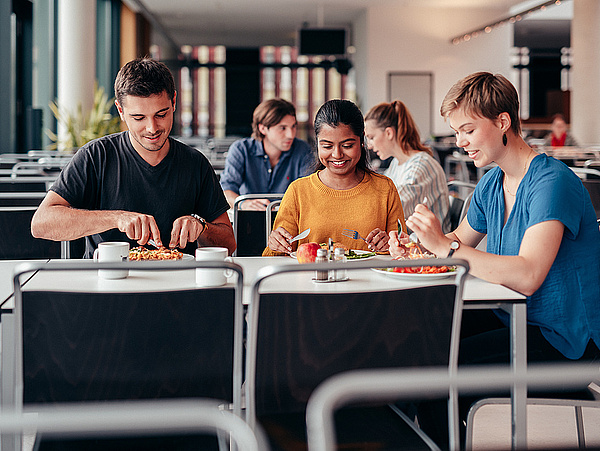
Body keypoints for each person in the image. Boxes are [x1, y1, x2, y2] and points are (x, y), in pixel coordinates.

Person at [388, 71, 600, 446]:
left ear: (502, 121)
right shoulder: (492, 181)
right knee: (419, 345)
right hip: (515, 317)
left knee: (436, 381)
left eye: (467, 130)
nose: (460, 142)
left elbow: (528, 274)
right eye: (456, 132)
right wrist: (415, 244)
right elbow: (456, 240)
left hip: (565, 341)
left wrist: (444, 246)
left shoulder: (552, 181)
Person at [31, 57, 235, 257]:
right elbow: (41, 224)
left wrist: (201, 227)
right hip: (108, 284)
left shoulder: (195, 163)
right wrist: (116, 218)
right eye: (138, 117)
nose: (152, 128)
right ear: (120, 110)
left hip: (177, 282)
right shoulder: (96, 157)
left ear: (173, 101)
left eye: (161, 114)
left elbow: (229, 243)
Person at [264, 99, 404, 255]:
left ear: (362, 142)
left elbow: (402, 253)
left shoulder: (384, 188)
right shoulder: (298, 191)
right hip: (310, 279)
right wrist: (275, 244)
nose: (337, 154)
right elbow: (275, 256)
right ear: (317, 143)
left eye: (347, 145)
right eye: (327, 146)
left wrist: (390, 246)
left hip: (371, 277)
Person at [365, 100, 450, 232]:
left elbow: (390, 209)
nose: (369, 145)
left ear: (389, 133)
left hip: (428, 249)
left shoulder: (420, 166)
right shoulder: (396, 163)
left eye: (371, 137)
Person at [219, 98, 312, 211]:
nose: (291, 135)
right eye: (282, 128)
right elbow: (226, 190)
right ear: (262, 128)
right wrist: (244, 204)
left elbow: (308, 193)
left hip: (290, 221)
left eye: (293, 126)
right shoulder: (241, 150)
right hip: (250, 219)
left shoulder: (303, 150)